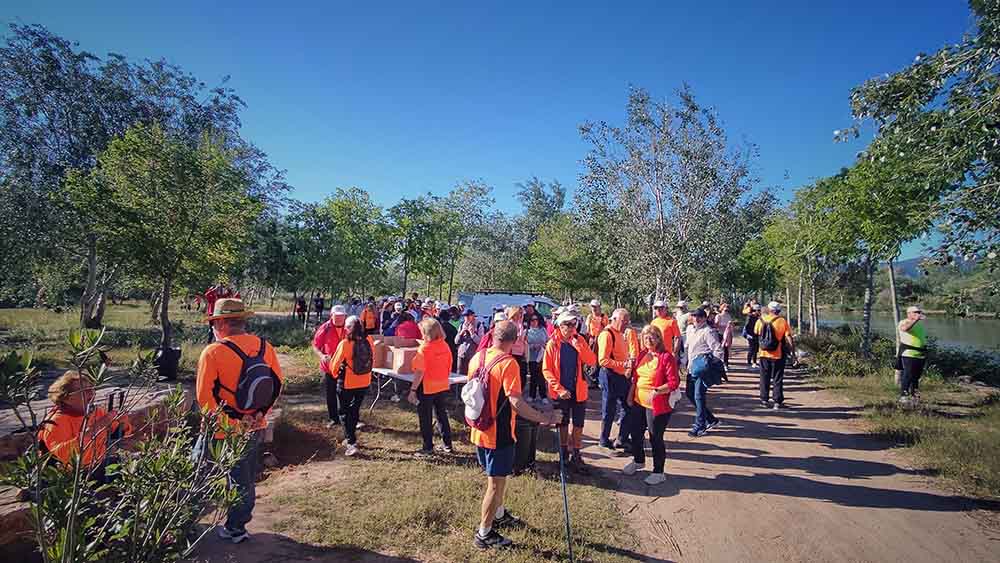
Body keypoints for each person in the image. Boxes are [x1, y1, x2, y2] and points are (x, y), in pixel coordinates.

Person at [195, 298, 283, 543]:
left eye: (214, 322)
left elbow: (204, 399)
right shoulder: (265, 347)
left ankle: (179, 527)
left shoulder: (212, 352)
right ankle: (236, 529)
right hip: (252, 428)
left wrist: (227, 425)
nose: (213, 327)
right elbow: (277, 385)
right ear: (243, 321)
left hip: (217, 431)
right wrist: (259, 416)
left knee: (195, 475)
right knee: (242, 480)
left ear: (222, 323)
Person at [470, 321, 561, 550]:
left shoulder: (478, 357)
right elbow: (517, 403)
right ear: (517, 338)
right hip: (498, 433)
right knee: (495, 483)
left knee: (497, 479)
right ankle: (484, 533)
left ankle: (498, 514)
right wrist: (545, 417)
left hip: (479, 429)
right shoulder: (508, 363)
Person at [38, 371, 132, 473]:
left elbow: (118, 434)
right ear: (67, 398)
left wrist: (122, 423)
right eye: (83, 390)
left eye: (91, 389)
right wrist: (97, 427)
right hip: (70, 477)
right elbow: (64, 455)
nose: (91, 393)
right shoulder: (55, 421)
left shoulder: (95, 412)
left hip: (97, 465)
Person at [623, 325, 680, 485]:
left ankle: (658, 471)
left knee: (655, 438)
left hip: (657, 406)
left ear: (659, 339)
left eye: (652, 337)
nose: (648, 340)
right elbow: (636, 377)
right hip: (638, 402)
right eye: (645, 337)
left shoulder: (666, 357)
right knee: (635, 433)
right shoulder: (643, 354)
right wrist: (630, 395)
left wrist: (657, 391)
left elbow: (674, 383)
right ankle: (638, 461)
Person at [542, 311, 598, 471]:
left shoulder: (579, 340)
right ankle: (563, 452)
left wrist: (579, 345)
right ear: (560, 326)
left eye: (573, 324)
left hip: (578, 390)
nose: (572, 327)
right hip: (561, 392)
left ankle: (576, 453)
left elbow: (592, 361)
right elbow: (546, 370)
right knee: (563, 423)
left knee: (579, 424)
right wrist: (559, 389)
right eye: (567, 324)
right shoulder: (553, 343)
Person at [328, 316, 374, 457]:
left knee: (343, 412)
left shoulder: (345, 344)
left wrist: (336, 375)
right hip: (364, 381)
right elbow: (373, 359)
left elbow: (333, 366)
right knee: (354, 410)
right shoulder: (369, 340)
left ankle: (351, 442)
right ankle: (351, 436)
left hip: (347, 383)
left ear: (348, 329)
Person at [408, 318, 454, 455]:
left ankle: (427, 447)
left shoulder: (424, 349)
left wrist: (413, 390)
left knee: (425, 418)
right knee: (441, 415)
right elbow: (449, 365)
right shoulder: (445, 345)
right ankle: (447, 444)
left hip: (427, 387)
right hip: (441, 385)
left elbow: (419, 371)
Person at [597, 308, 633, 452]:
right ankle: (604, 440)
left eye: (627, 322)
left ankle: (621, 439)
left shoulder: (620, 333)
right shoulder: (607, 334)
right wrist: (622, 364)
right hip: (610, 376)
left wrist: (627, 366)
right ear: (614, 319)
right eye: (623, 322)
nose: (626, 325)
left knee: (628, 405)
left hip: (621, 375)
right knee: (609, 410)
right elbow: (603, 360)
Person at [685, 308, 723, 437]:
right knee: (690, 394)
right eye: (694, 316)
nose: (696, 318)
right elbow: (688, 348)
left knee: (698, 396)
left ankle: (700, 426)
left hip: (702, 369)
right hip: (692, 368)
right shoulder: (691, 330)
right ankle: (711, 419)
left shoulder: (708, 331)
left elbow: (718, 350)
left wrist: (709, 365)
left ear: (704, 318)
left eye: (699, 316)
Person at [755, 301, 795, 410]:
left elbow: (757, 333)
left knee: (764, 377)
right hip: (778, 354)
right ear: (778, 310)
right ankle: (777, 402)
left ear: (768, 309)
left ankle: (764, 400)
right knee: (777, 378)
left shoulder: (760, 320)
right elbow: (788, 337)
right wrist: (792, 353)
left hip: (763, 353)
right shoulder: (782, 321)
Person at [314, 305, 347, 428]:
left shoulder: (349, 327)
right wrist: (321, 355)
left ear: (345, 316)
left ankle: (345, 416)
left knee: (345, 393)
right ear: (331, 316)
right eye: (336, 316)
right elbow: (316, 345)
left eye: (341, 316)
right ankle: (333, 418)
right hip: (329, 366)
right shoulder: (325, 328)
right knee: (331, 393)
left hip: (345, 366)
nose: (339, 319)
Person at [897, 305, 928, 405]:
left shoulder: (920, 324)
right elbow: (904, 328)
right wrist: (915, 320)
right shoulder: (904, 322)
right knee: (908, 374)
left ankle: (915, 395)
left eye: (919, 312)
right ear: (909, 314)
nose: (918, 314)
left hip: (920, 354)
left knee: (916, 377)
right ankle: (903, 396)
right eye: (915, 312)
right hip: (908, 353)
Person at [525, 315, 549, 403]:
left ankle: (543, 396)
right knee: (533, 377)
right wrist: (533, 346)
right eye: (532, 320)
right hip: (532, 357)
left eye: (536, 319)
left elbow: (548, 341)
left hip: (542, 357)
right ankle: (532, 395)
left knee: (542, 377)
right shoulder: (527, 331)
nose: (534, 321)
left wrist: (543, 346)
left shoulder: (543, 330)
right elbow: (525, 344)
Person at [505, 306, 529, 389]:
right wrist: (520, 336)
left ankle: (519, 390)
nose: (521, 315)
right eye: (519, 313)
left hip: (521, 352)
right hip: (513, 352)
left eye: (522, 313)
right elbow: (512, 339)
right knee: (515, 373)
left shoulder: (521, 324)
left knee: (522, 373)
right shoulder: (510, 324)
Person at [456, 309, 484, 376]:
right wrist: (461, 332)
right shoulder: (462, 325)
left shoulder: (479, 325)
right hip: (461, 355)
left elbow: (481, 342)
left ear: (473, 315)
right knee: (459, 375)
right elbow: (456, 341)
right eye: (465, 316)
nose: (466, 318)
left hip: (473, 355)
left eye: (468, 315)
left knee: (471, 374)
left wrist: (472, 334)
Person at [715, 303, 734, 369]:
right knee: (719, 349)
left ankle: (726, 364)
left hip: (728, 335)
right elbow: (716, 325)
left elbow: (732, 325)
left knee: (726, 349)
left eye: (727, 310)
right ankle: (719, 364)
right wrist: (724, 326)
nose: (726, 311)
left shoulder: (729, 316)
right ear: (722, 309)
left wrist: (731, 326)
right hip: (720, 334)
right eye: (725, 310)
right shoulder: (718, 316)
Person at [742, 304, 762, 368]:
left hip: (756, 334)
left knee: (756, 349)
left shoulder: (758, 317)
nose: (759, 311)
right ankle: (749, 362)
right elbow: (747, 326)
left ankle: (754, 362)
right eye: (758, 310)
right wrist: (749, 335)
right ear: (755, 310)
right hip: (750, 335)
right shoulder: (750, 317)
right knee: (751, 348)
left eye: (760, 310)